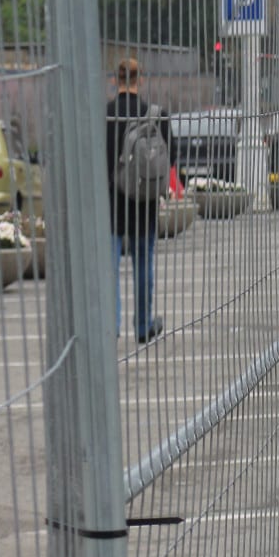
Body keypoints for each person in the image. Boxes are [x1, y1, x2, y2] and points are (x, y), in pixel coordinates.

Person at [105, 57, 167, 343]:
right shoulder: (154, 116)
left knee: (110, 268)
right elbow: (169, 160)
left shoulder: (104, 116)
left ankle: (111, 325)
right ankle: (143, 325)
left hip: (111, 205)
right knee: (143, 262)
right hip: (144, 204)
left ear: (115, 80)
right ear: (140, 80)